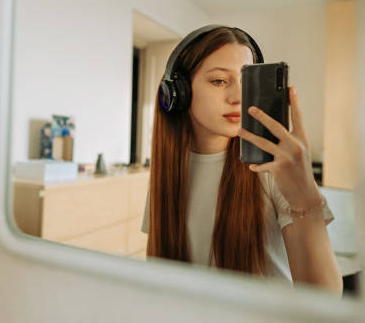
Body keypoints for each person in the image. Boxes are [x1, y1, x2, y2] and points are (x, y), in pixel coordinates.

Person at [140, 25, 342, 295]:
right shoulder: (166, 174)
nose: (238, 97)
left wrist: (304, 196)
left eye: (246, 81)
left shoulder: (270, 170)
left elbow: (324, 298)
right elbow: (158, 284)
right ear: (179, 93)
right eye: (220, 81)